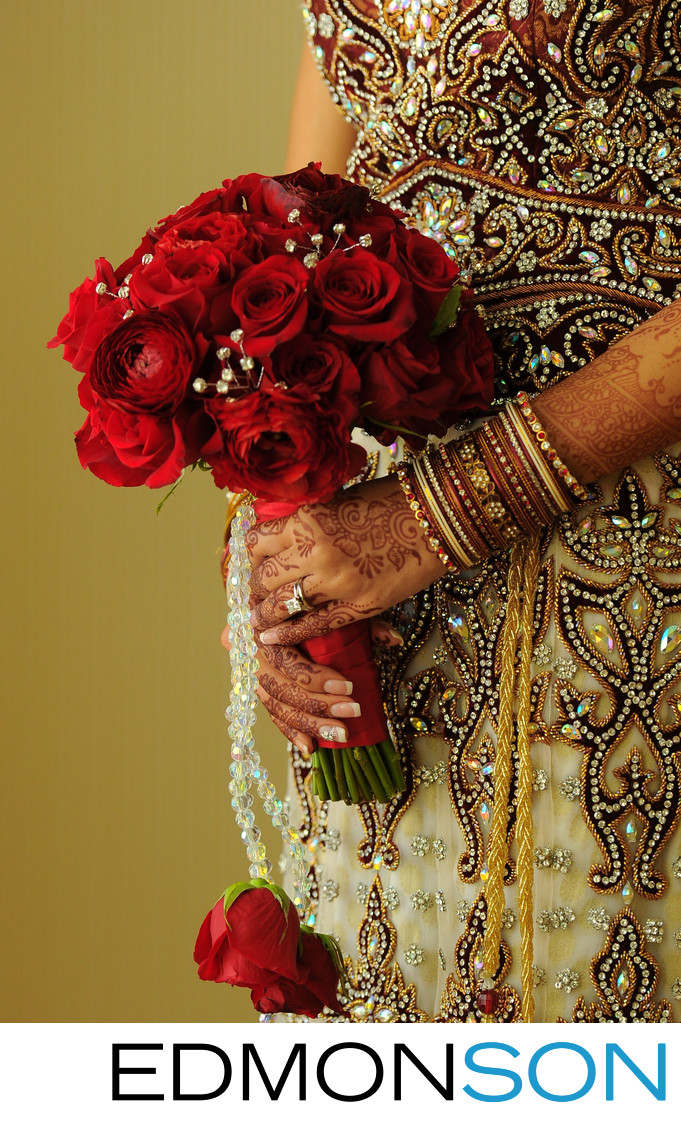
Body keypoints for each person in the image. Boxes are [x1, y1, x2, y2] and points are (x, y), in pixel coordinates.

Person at [245, 1, 681, 1021]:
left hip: (640, 547)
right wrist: (282, 554)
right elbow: (305, 235)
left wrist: (443, 512)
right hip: (393, 607)